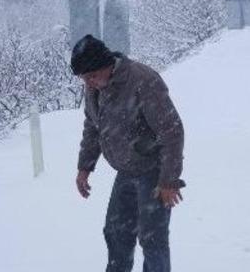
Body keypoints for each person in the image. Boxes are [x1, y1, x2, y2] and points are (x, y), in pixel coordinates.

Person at [72, 34, 185, 272]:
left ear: (105, 64)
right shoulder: (94, 88)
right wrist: (84, 167)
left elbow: (172, 132)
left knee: (152, 239)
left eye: (91, 76)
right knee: (116, 233)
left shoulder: (142, 81)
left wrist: (168, 181)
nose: (88, 83)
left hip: (153, 172)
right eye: (84, 79)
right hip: (125, 171)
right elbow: (93, 127)